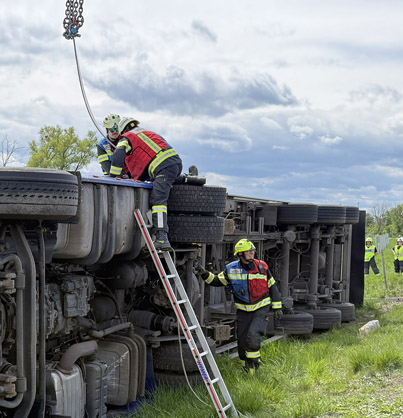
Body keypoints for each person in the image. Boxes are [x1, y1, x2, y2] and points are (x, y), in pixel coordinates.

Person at [194, 239, 282, 374]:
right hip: (243, 311)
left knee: (253, 337)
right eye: (249, 251)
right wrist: (204, 273)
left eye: (253, 250)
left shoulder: (262, 267)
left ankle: (253, 369)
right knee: (242, 341)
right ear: (240, 254)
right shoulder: (231, 269)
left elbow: (272, 287)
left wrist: (277, 307)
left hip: (261, 308)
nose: (252, 253)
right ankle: (245, 367)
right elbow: (216, 281)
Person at [108, 117, 182, 251]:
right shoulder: (146, 133)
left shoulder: (127, 137)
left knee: (158, 201)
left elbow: (119, 154)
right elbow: (145, 158)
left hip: (163, 167)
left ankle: (161, 238)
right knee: (161, 192)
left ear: (124, 130)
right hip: (173, 164)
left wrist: (113, 176)